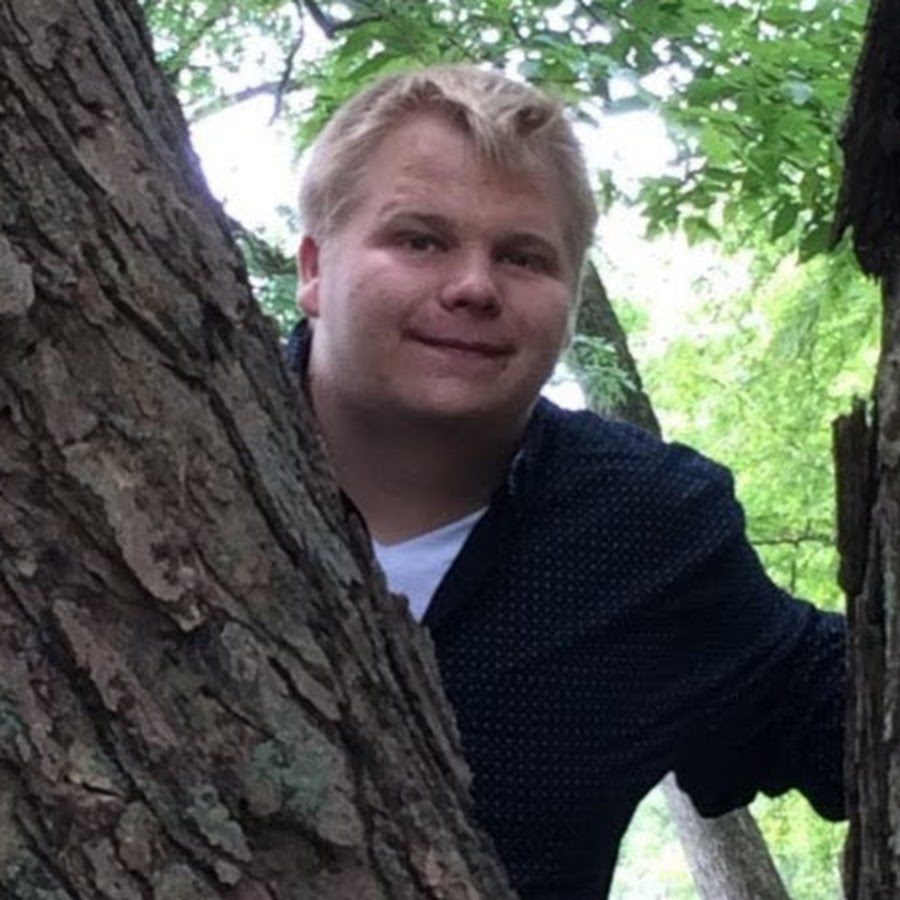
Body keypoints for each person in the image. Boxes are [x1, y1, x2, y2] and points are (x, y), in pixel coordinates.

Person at [288, 65, 845, 900]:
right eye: (420, 240)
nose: (474, 287)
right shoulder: (162, 444)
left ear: (572, 296)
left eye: (523, 257)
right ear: (314, 268)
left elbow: (841, 711)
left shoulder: (648, 532)